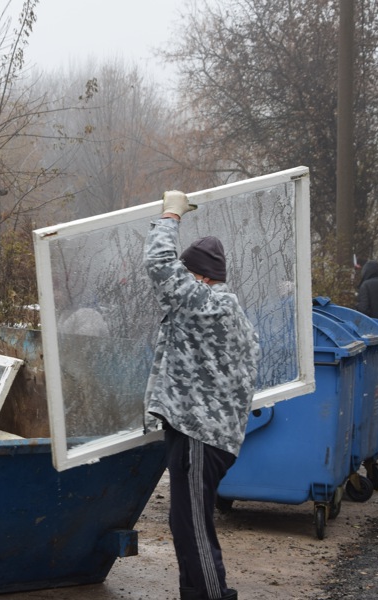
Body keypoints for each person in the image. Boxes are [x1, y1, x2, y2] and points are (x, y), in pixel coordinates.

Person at [143, 191, 260, 600]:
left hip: (200, 435)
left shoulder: (205, 303)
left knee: (193, 527)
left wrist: (171, 214)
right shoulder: (225, 311)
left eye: (185, 274)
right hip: (209, 435)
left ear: (200, 278)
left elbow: (159, 263)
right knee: (185, 523)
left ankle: (214, 595)